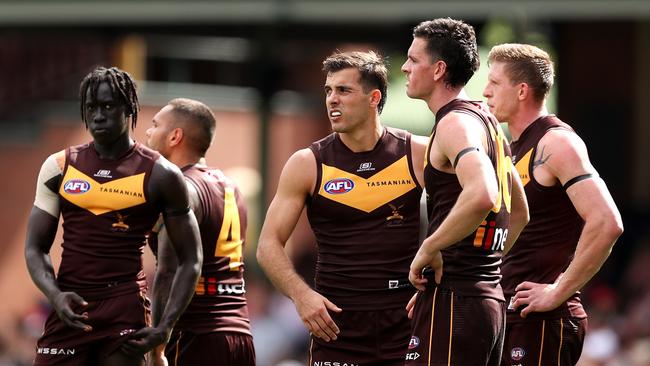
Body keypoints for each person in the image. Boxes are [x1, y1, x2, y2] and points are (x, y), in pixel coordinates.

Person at [256, 50, 427, 365]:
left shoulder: (418, 152)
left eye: (344, 90)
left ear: (374, 97)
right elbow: (267, 245)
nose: (332, 99)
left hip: (407, 321)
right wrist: (301, 295)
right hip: (336, 326)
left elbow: (474, 204)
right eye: (328, 91)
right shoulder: (307, 163)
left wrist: (442, 276)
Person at [24, 67, 203, 366]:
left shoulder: (162, 175)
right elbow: (34, 247)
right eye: (91, 108)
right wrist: (55, 296)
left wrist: (165, 327)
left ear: (129, 108)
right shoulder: (58, 166)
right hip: (71, 306)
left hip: (124, 309)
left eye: (108, 106)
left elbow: (191, 258)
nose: (98, 116)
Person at [482, 43, 624, 366]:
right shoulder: (510, 148)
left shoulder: (556, 142)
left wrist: (557, 291)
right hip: (510, 317)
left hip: (544, 322)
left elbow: (607, 222)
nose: (486, 92)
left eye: (494, 83)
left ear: (521, 91)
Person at [401, 18, 529, 365]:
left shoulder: (455, 122)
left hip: (458, 299)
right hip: (483, 299)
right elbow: (519, 211)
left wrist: (431, 247)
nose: (404, 67)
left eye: (413, 59)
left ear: (439, 69)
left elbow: (484, 193)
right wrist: (479, 267)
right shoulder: (487, 122)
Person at [144, 98, 255, 366]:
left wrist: (158, 344)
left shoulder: (180, 188)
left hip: (195, 335)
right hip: (240, 335)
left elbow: (169, 270)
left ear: (175, 136)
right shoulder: (231, 186)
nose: (148, 131)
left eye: (155, 124)